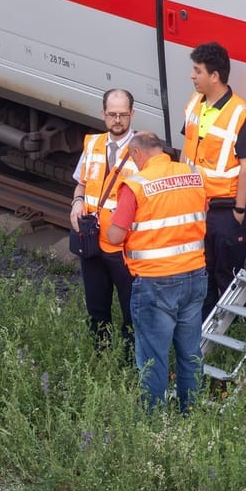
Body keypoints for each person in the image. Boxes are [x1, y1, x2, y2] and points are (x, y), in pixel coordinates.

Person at [107, 132, 207, 413]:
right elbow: (200, 213)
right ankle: (191, 415)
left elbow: (115, 237)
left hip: (156, 282)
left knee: (153, 357)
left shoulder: (136, 185)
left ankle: (153, 424)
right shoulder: (192, 174)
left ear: (137, 154)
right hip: (194, 275)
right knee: (190, 354)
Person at [181, 42, 246, 318]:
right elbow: (187, 150)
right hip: (197, 208)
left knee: (229, 275)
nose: (192, 76)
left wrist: (239, 210)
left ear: (215, 76)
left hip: (224, 211)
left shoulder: (240, 115)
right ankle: (208, 330)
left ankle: (236, 332)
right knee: (204, 272)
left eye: (197, 71)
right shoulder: (194, 103)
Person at [69, 89, 138, 352]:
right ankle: (101, 356)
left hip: (124, 247)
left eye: (123, 115)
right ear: (103, 114)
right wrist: (77, 202)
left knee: (131, 310)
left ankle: (131, 362)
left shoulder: (141, 151)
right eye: (112, 114)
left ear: (132, 114)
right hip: (93, 241)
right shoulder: (93, 145)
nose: (117, 120)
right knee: (96, 308)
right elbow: (81, 184)